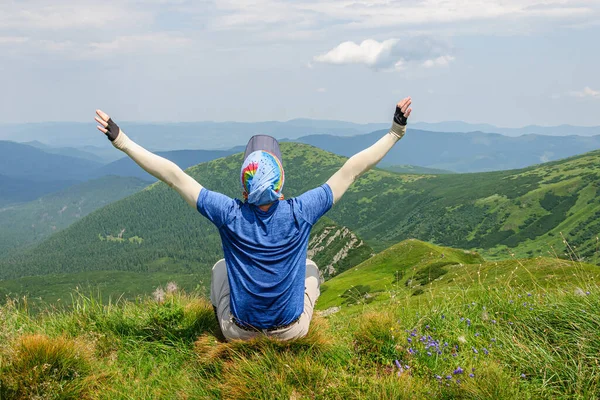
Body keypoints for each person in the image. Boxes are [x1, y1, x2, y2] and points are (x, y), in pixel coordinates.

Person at [94, 97, 412, 341]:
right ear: (280, 181)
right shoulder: (302, 211)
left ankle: (235, 321)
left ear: (245, 187)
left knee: (221, 269)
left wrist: (122, 140)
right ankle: (291, 321)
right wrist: (395, 132)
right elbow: (353, 169)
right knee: (311, 268)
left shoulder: (229, 214)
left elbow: (174, 176)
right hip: (291, 331)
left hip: (238, 333)